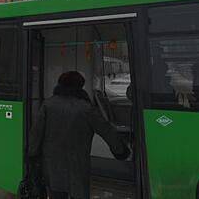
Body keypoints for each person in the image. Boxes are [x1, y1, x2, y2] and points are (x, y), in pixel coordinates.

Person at [29, 71, 130, 199]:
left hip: (52, 163)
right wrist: (120, 150)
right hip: (77, 163)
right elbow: (107, 131)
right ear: (80, 86)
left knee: (56, 194)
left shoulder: (48, 105)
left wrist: (32, 155)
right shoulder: (86, 108)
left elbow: (36, 133)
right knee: (79, 193)